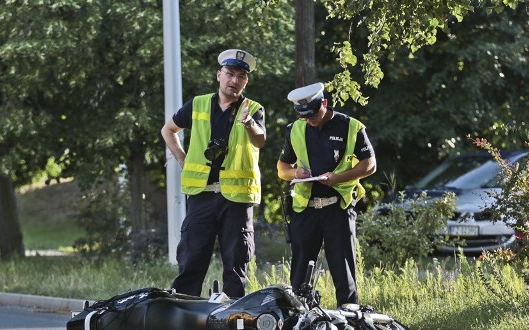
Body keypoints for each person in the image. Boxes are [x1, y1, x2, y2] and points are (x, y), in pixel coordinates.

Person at [161, 49, 266, 298]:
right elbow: (168, 130)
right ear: (219, 75)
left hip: (237, 199)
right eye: (230, 74)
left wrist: (249, 122)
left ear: (246, 81)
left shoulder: (254, 108)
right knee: (191, 258)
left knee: (236, 264)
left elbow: (260, 141)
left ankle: (235, 321)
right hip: (202, 195)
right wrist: (183, 160)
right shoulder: (198, 104)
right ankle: (183, 315)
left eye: (241, 76)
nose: (234, 80)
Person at [277, 82, 376, 307]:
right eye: (304, 116)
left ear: (324, 103)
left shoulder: (350, 126)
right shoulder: (295, 128)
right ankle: (300, 321)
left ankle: (350, 320)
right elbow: (282, 167)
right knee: (300, 273)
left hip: (337, 207)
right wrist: (295, 172)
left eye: (313, 113)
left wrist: (337, 178)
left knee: (343, 271)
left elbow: (370, 165)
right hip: (305, 209)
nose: (309, 119)